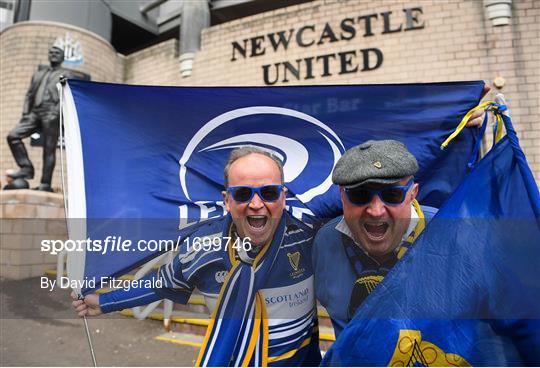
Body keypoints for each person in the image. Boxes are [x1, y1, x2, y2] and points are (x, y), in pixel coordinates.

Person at [72, 147, 321, 366]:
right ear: (227, 200)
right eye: (243, 194)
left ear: (283, 196)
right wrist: (104, 302)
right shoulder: (203, 247)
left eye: (268, 192)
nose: (256, 203)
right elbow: (163, 283)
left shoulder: (310, 237)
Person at [312, 139, 438, 337]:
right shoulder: (325, 242)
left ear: (413, 193)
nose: (376, 211)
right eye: (360, 195)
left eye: (392, 195)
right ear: (342, 196)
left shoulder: (453, 233)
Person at [6, 43, 90, 191]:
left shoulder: (67, 74)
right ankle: (26, 168)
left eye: (57, 53)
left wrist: (57, 111)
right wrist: (26, 114)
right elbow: (29, 95)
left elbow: (68, 96)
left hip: (52, 112)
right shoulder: (39, 74)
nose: (53, 55)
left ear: (63, 57)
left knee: (48, 149)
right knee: (13, 136)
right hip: (35, 113)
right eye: (51, 52)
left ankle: (45, 184)